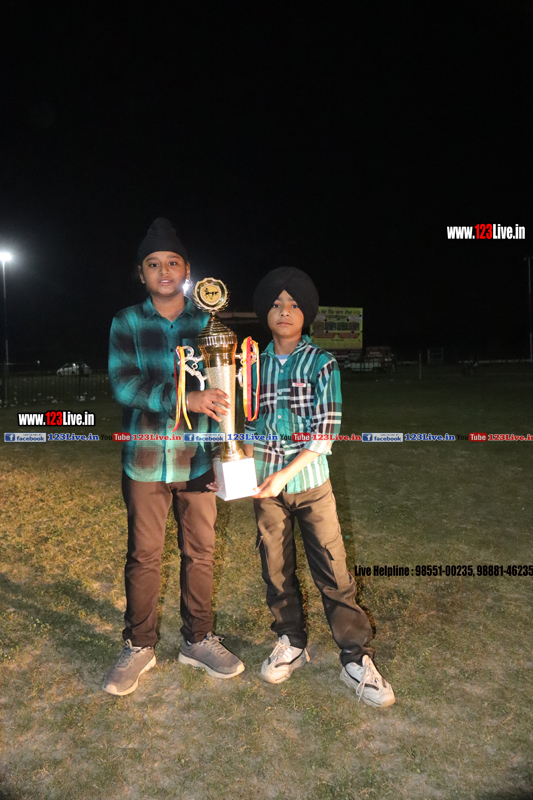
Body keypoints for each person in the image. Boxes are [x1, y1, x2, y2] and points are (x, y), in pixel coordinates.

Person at [103, 218, 244, 696]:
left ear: (187, 271)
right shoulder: (126, 322)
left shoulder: (207, 325)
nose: (164, 271)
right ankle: (139, 645)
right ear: (141, 272)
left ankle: (198, 639)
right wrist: (185, 399)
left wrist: (229, 439)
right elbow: (124, 384)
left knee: (200, 552)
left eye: (172, 263)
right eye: (153, 264)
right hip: (144, 460)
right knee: (144, 556)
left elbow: (224, 391)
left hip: (198, 458)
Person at [244, 267, 395, 708]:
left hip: (310, 485)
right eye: (276, 304)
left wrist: (284, 475)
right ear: (265, 313)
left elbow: (325, 434)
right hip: (265, 487)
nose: (284, 311)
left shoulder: (322, 363)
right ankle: (290, 641)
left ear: (306, 313)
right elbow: (247, 424)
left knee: (333, 569)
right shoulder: (251, 365)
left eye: (293, 304)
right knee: (275, 568)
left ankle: (355, 657)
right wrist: (237, 468)